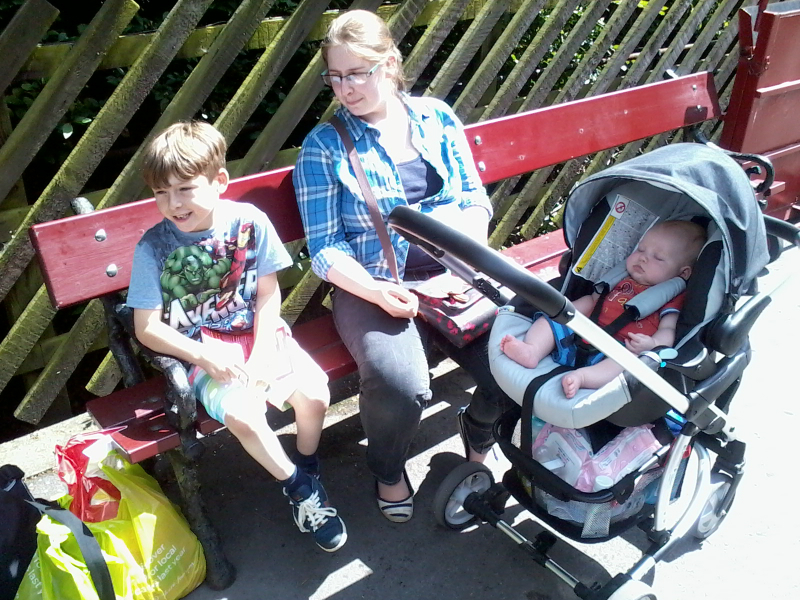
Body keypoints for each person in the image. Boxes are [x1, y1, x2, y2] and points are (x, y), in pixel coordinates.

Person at [293, 9, 510, 523]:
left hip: (456, 276)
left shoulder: (435, 117)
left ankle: (479, 429)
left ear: (389, 65)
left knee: (519, 361)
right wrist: (373, 292)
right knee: (400, 385)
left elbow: (474, 198)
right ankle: (388, 468)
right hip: (374, 285)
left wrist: (469, 260)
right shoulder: (325, 147)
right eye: (336, 76)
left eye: (357, 73)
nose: (345, 88)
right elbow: (324, 248)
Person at [127, 121, 346, 552]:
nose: (172, 204)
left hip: (258, 333)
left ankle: (305, 465)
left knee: (316, 396)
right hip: (201, 349)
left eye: (185, 189)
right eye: (160, 193)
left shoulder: (250, 222)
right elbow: (146, 328)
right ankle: (301, 489)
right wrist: (203, 358)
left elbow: (267, 294)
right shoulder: (153, 247)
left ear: (219, 181)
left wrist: (263, 355)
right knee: (245, 416)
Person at [501, 220, 707, 399]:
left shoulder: (671, 297)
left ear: (684, 273)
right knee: (547, 321)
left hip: (619, 350)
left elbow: (668, 330)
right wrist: (566, 314)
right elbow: (592, 301)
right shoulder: (620, 278)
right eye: (641, 249)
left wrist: (652, 344)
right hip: (581, 333)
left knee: (628, 364)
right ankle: (533, 350)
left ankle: (583, 378)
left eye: (658, 258)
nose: (643, 258)